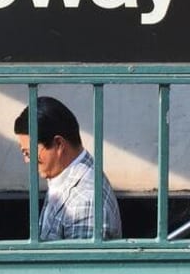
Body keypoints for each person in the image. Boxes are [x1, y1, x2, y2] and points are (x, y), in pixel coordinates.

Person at [14, 96, 122, 241]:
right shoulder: (66, 175)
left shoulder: (84, 203)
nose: (27, 160)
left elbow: (80, 263)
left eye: (29, 153)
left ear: (59, 144)